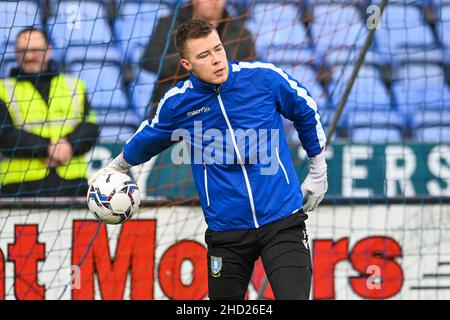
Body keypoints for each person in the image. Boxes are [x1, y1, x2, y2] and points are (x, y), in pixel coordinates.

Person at [91, 20, 327, 300]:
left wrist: (317, 170)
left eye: (218, 49)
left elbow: (306, 110)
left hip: (283, 222)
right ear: (187, 64)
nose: (216, 60)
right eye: (204, 56)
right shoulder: (179, 103)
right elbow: (149, 138)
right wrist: (116, 167)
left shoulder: (265, 78)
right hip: (227, 234)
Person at [0, 27, 99, 197]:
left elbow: (90, 127)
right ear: (15, 53)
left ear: (49, 50)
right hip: (19, 186)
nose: (30, 56)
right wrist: (47, 147)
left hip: (73, 184)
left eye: (35, 50)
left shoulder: (75, 85)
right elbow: (5, 135)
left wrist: (69, 144)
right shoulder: (3, 89)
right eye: (23, 51)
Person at [140, 0, 255, 117]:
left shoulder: (241, 33)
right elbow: (150, 60)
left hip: (223, 111)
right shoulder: (169, 24)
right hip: (175, 108)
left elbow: (248, 76)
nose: (213, 2)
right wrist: (197, 66)